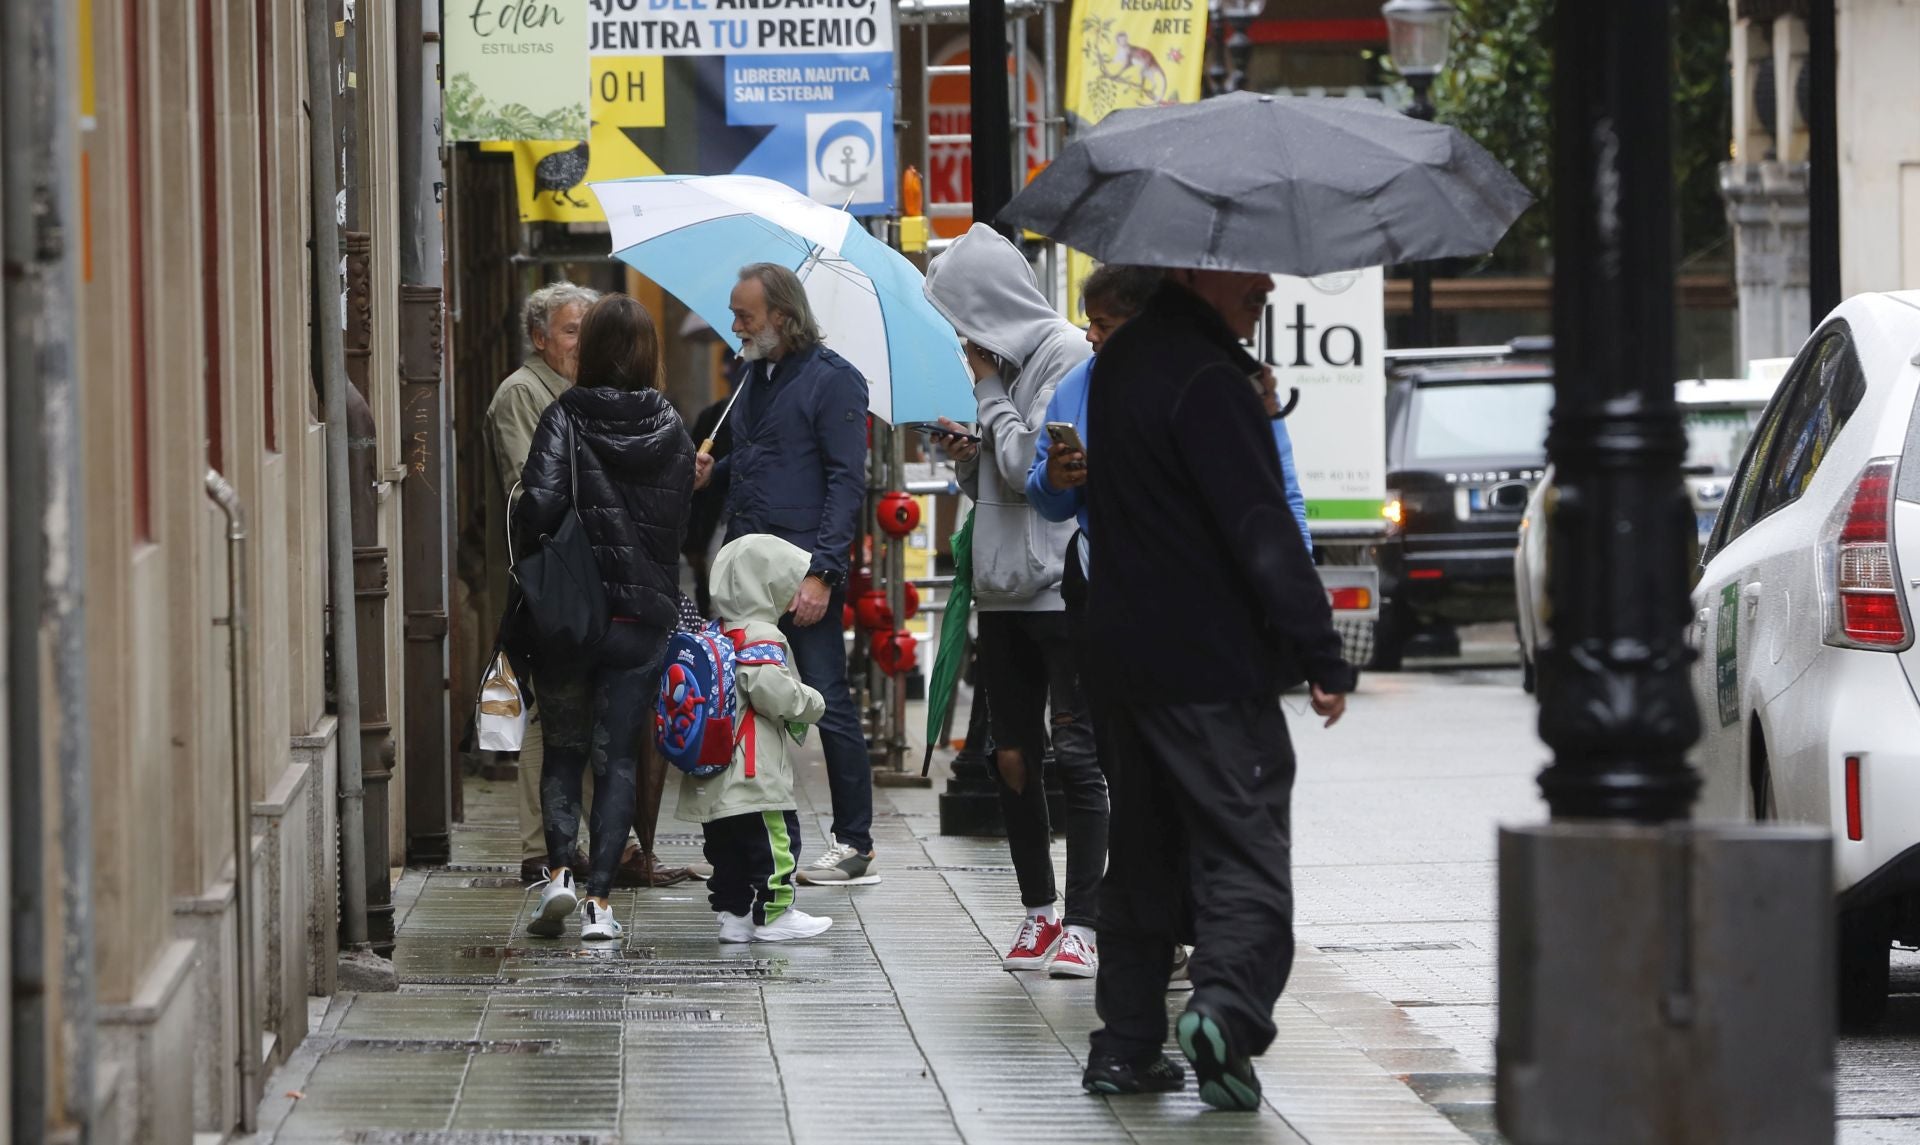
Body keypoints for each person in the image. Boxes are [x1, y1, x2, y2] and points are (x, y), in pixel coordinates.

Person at [1080, 270, 1355, 1108]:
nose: (1267, 282)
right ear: (1199, 268)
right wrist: (1321, 650)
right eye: (1249, 267)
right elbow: (1258, 523)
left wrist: (1255, 407)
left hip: (1123, 659)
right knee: (1246, 846)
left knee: (1142, 853)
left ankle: (1126, 1046)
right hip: (1207, 663)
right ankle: (1225, 1010)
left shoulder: (1124, 362)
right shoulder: (1209, 378)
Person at [924, 223, 1108, 979]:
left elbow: (1035, 462)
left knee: (1078, 751)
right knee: (1009, 754)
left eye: (962, 318)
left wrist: (991, 397)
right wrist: (964, 460)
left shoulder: (1064, 352)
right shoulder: (996, 368)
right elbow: (1000, 475)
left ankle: (1086, 922)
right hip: (1001, 593)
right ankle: (1039, 911)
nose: (962, 339)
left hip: (1060, 588)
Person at [513, 294, 696, 941]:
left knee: (563, 752)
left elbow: (537, 503)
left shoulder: (566, 414)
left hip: (570, 615)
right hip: (641, 616)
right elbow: (680, 525)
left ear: (589, 351)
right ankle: (600, 904)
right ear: (648, 353)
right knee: (617, 756)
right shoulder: (672, 426)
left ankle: (560, 873)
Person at [692, 263, 879, 887]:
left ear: (782, 316)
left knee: (826, 694)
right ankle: (753, 833)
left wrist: (823, 573)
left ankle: (854, 842)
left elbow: (845, 481)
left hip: (801, 566)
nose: (736, 325)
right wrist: (710, 471)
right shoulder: (752, 374)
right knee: (742, 693)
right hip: (749, 564)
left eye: (745, 314)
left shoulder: (836, 382)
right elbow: (756, 452)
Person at [1027, 266, 1312, 557]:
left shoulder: (1227, 380)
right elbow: (1048, 505)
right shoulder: (1075, 386)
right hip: (1103, 583)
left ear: (1143, 322)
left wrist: (1296, 576)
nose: (1090, 336)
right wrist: (1053, 481)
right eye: (1089, 322)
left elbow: (1283, 494)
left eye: (1103, 324)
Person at [486, 281, 602, 886]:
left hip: (584, 572)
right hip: (545, 573)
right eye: (570, 331)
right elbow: (526, 489)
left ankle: (570, 840)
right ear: (539, 338)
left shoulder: (581, 394)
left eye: (587, 329)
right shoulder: (522, 394)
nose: (581, 342)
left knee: (580, 707)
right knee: (546, 711)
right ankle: (540, 847)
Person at [676, 534, 835, 944]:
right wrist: (811, 702)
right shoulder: (762, 635)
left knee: (724, 847)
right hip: (753, 766)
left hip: (714, 767)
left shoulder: (717, 630)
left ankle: (734, 914)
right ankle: (776, 913)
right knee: (777, 840)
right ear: (768, 585)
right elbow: (770, 689)